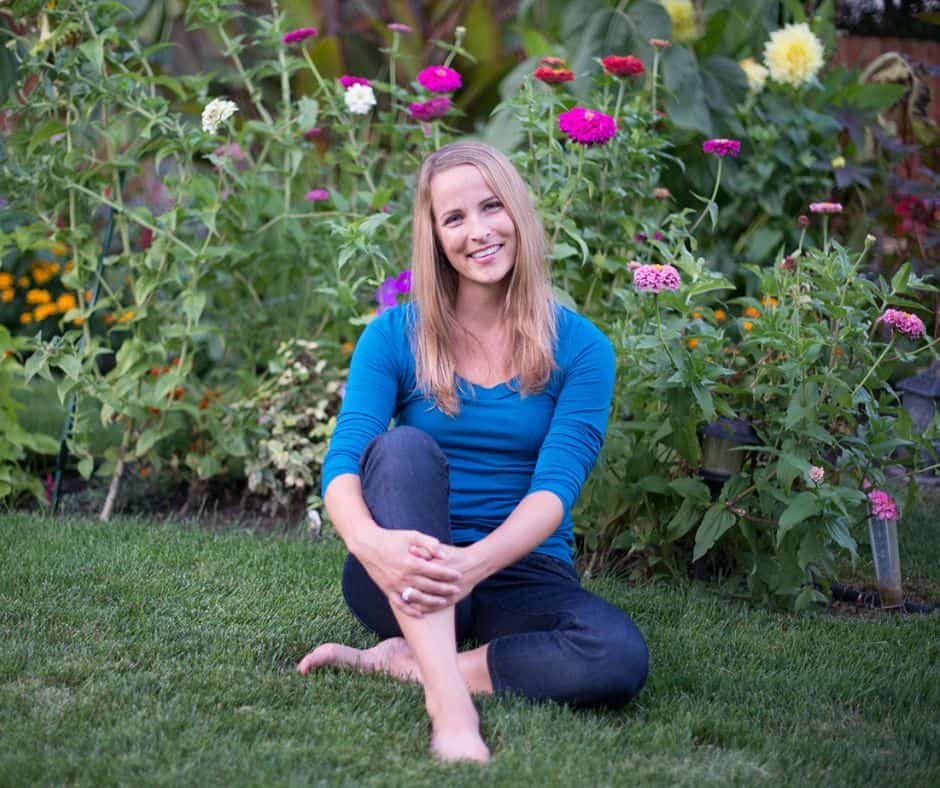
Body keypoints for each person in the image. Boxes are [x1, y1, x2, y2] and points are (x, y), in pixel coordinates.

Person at [297, 141, 648, 763]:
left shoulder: (582, 348)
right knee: (403, 448)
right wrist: (371, 545)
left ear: (518, 214)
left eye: (492, 207)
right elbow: (343, 463)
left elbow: (554, 493)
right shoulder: (392, 336)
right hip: (406, 568)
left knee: (616, 654)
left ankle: (409, 664)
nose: (478, 231)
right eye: (454, 218)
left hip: (522, 572)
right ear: (434, 236)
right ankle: (451, 706)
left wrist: (474, 565)